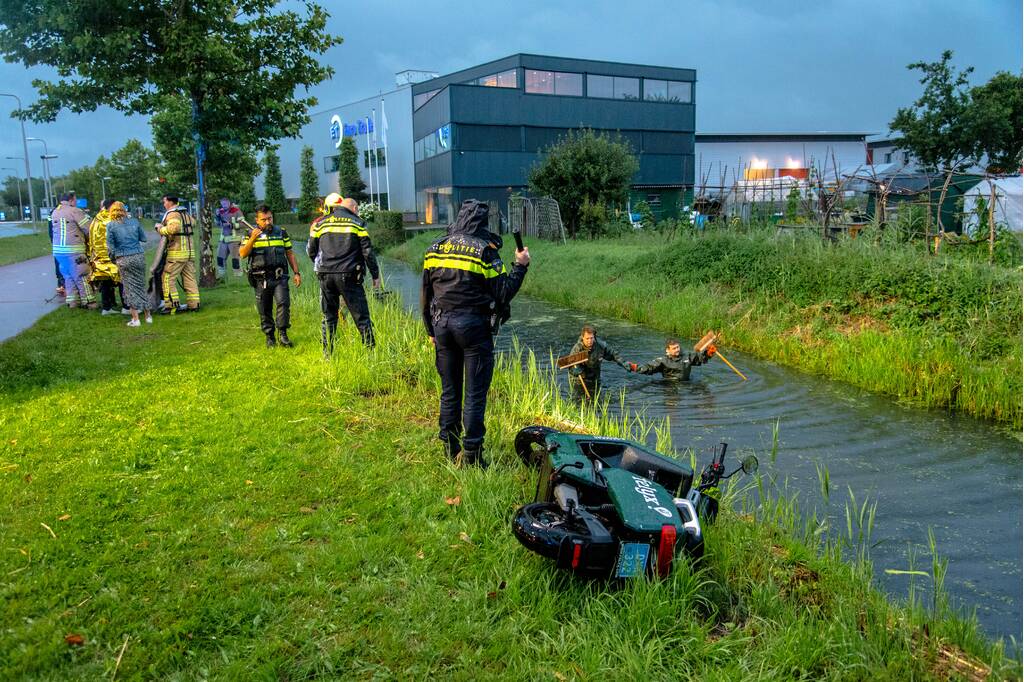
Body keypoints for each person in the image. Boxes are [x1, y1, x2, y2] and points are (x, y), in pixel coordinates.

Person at [421, 199, 530, 467]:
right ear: (482, 222)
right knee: (474, 393)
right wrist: (520, 266)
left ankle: (450, 448)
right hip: (473, 327)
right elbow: (503, 293)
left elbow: (426, 292)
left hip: (441, 325)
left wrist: (430, 329)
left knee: (449, 391)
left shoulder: (435, 247)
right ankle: (471, 454)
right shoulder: (484, 251)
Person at [307, 193, 380, 353]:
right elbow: (368, 252)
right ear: (354, 208)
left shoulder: (320, 224)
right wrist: (375, 275)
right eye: (357, 210)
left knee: (329, 316)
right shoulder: (357, 223)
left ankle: (327, 353)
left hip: (325, 275)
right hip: (349, 276)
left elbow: (311, 251)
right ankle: (371, 353)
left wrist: (323, 266)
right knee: (361, 316)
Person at [239, 205, 301, 347]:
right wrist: (252, 238)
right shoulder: (249, 233)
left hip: (280, 276)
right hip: (261, 278)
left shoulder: (281, 232)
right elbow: (242, 254)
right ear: (257, 220)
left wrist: (296, 273)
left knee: (283, 304)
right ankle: (270, 337)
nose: (268, 222)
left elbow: (289, 253)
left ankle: (283, 335)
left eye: (270, 218)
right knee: (264, 309)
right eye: (264, 219)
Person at [106, 201, 151, 327]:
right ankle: (148, 316)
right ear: (124, 211)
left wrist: (113, 259)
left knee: (129, 289)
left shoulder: (110, 226)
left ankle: (135, 319)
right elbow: (144, 238)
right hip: (139, 256)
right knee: (141, 285)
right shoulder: (135, 222)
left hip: (123, 259)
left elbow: (110, 248)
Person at [155, 194, 200, 313]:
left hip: (176, 253)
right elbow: (194, 223)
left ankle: (171, 306)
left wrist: (160, 228)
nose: (164, 204)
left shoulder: (173, 214)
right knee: (189, 279)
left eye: (164, 201)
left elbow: (173, 229)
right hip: (189, 253)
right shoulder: (184, 213)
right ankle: (194, 305)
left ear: (170, 202)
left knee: (167, 278)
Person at [50, 192, 94, 308]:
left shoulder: (55, 212)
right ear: (71, 200)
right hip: (74, 250)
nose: (76, 203)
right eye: (75, 200)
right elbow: (89, 228)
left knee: (69, 277)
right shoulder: (74, 211)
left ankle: (72, 302)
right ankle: (89, 302)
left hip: (59, 252)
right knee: (82, 275)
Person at [567, 324, 631, 398]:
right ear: (583, 337)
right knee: (580, 398)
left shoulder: (600, 345)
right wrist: (575, 370)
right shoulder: (577, 349)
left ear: (594, 337)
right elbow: (570, 365)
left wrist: (623, 363)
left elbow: (613, 354)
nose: (589, 341)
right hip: (580, 380)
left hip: (595, 377)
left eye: (591, 338)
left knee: (596, 398)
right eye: (587, 338)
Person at [86, 198, 122, 315]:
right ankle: (127, 307)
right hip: (113, 256)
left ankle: (106, 308)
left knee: (106, 282)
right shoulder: (113, 219)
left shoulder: (96, 219)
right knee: (122, 280)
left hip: (99, 257)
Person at [630, 338, 713, 381]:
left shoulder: (687, 356)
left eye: (678, 347)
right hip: (669, 386)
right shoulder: (662, 361)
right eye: (674, 348)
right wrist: (633, 367)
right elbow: (648, 368)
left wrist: (708, 353)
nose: (677, 350)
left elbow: (700, 358)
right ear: (667, 350)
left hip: (687, 384)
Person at [215, 198, 245, 279]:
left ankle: (238, 277)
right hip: (223, 239)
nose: (224, 205)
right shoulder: (220, 212)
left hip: (234, 239)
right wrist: (217, 216)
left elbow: (243, 224)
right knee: (220, 258)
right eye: (222, 204)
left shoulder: (236, 211)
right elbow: (217, 224)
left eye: (225, 204)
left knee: (235, 259)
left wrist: (231, 225)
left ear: (229, 203)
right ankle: (222, 277)